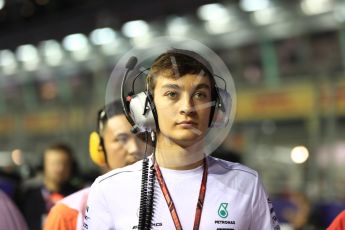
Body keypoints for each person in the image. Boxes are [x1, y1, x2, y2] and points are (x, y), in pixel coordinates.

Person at [84, 49, 280, 229]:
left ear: (215, 109)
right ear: (147, 108)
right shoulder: (109, 189)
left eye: (200, 94)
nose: (187, 107)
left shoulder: (246, 183)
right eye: (172, 94)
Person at [44, 100, 143, 230]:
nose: (134, 149)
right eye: (121, 139)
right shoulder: (68, 214)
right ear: (99, 149)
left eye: (143, 136)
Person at [19, 143, 79, 230]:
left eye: (65, 164)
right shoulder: (28, 197)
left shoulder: (78, 197)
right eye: (54, 163)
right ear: (43, 166)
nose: (60, 169)